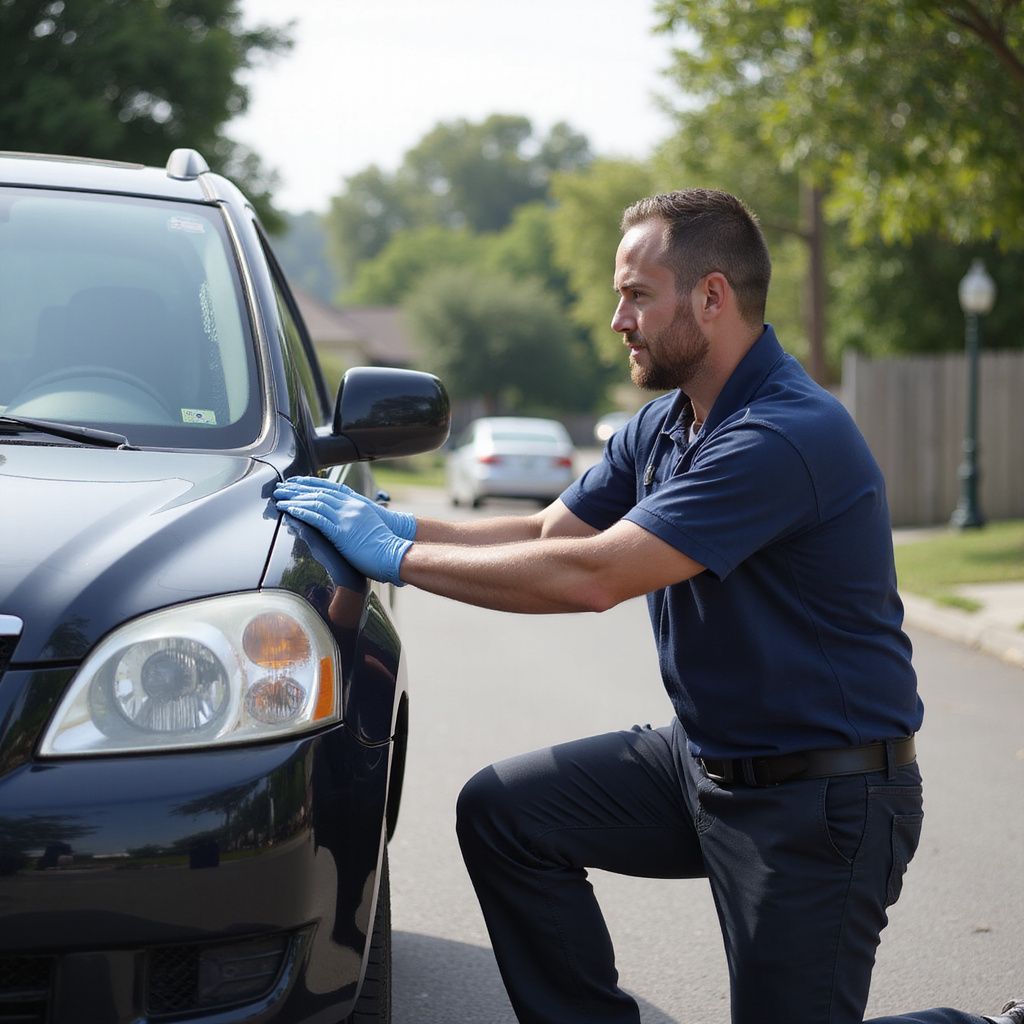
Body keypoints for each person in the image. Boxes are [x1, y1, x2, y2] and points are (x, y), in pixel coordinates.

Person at [274, 189, 1020, 1024]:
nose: (617, 319)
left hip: (819, 801)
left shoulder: (781, 436)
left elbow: (591, 576)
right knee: (507, 815)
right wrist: (400, 522)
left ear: (712, 296)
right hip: (701, 764)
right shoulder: (667, 424)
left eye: (637, 294)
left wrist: (400, 560)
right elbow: (547, 529)